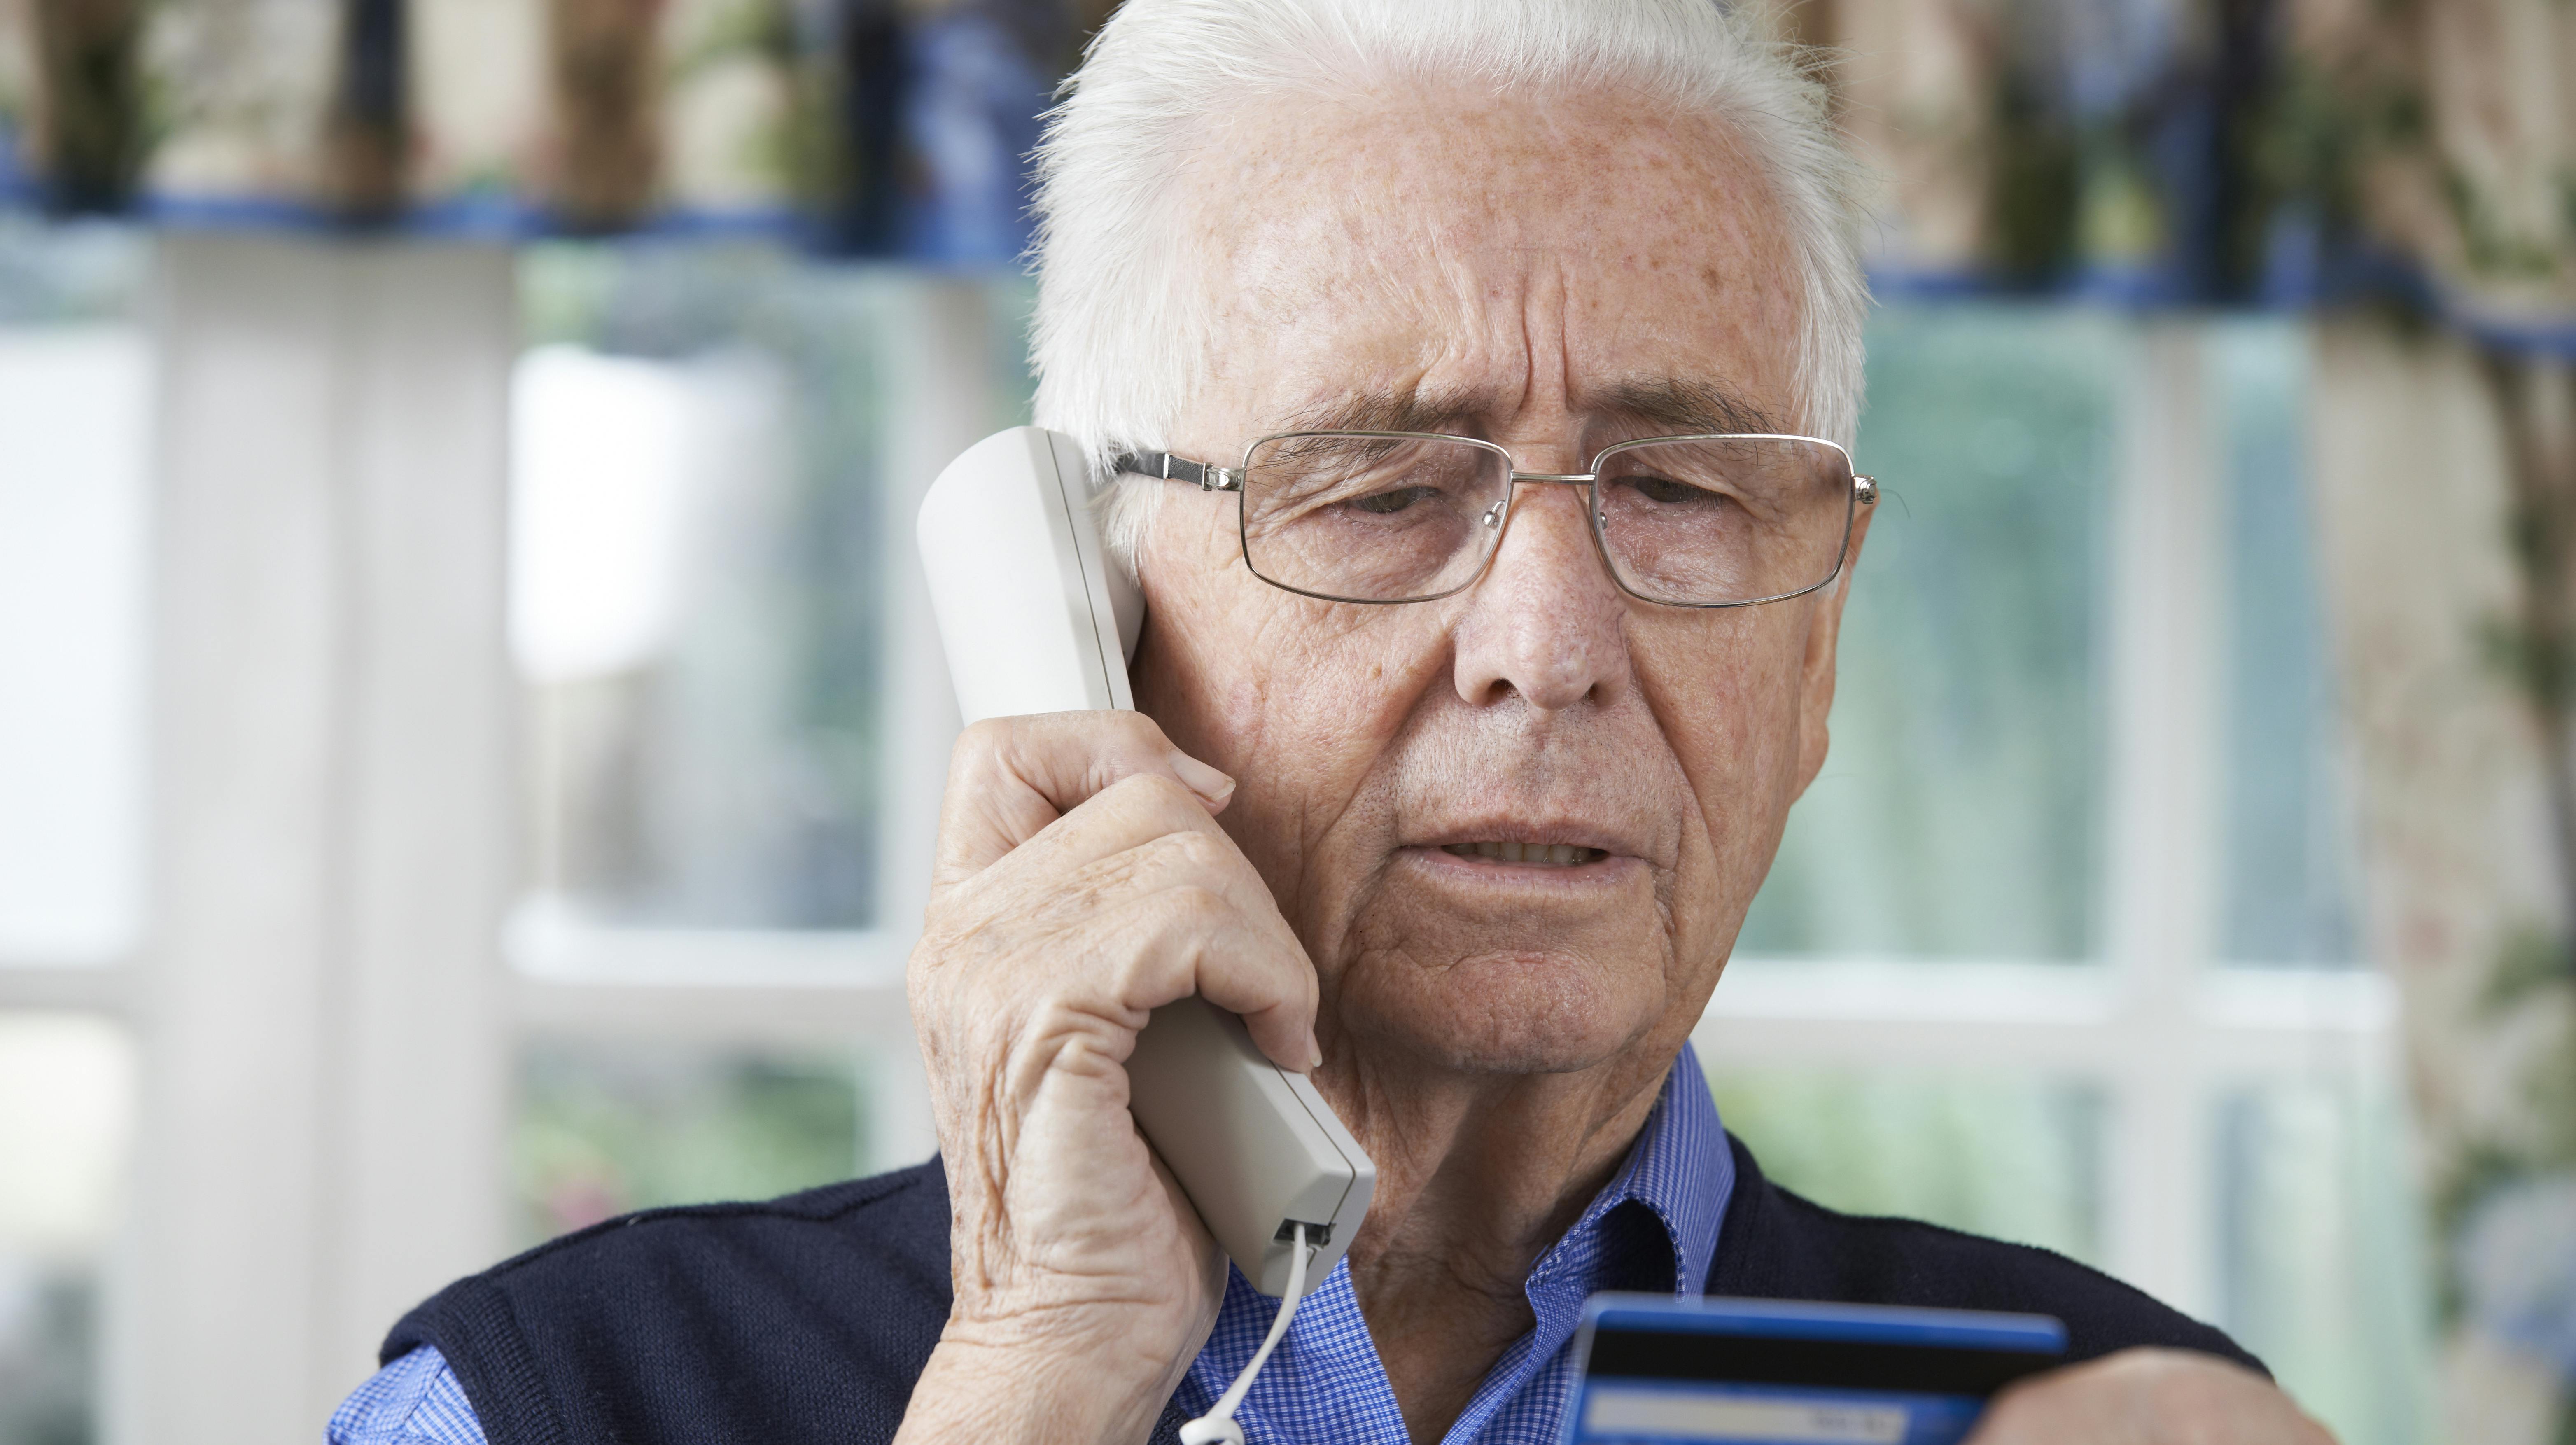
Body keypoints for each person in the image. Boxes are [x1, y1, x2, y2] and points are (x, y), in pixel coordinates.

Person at [331, 2, 2338, 1442]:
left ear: (1811, 668)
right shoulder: (545, 1403)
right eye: (1380, 491)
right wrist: (1037, 1371)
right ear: (1092, 622)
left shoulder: (2108, 1412)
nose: (1544, 646)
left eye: (1680, 488)